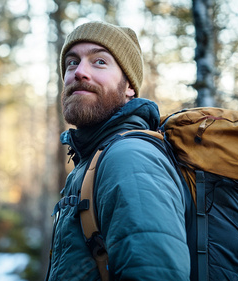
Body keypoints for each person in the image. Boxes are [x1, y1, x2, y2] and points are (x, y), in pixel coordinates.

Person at [45, 21, 190, 280]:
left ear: (130, 87)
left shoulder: (129, 158)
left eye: (99, 61)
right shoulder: (93, 160)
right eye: (72, 62)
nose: (79, 72)